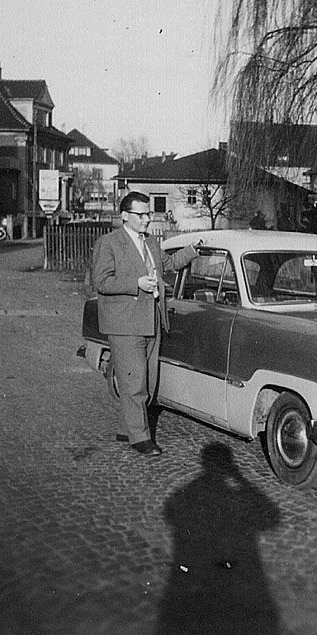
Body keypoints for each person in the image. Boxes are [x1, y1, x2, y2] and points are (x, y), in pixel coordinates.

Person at [90, 191, 199, 456]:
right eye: (141, 215)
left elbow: (169, 264)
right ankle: (140, 438)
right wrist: (136, 284)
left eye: (148, 214)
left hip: (152, 319)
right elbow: (101, 282)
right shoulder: (109, 243)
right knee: (134, 383)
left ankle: (126, 429)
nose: (147, 219)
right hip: (125, 323)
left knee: (148, 381)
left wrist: (193, 250)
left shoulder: (150, 242)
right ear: (124, 216)